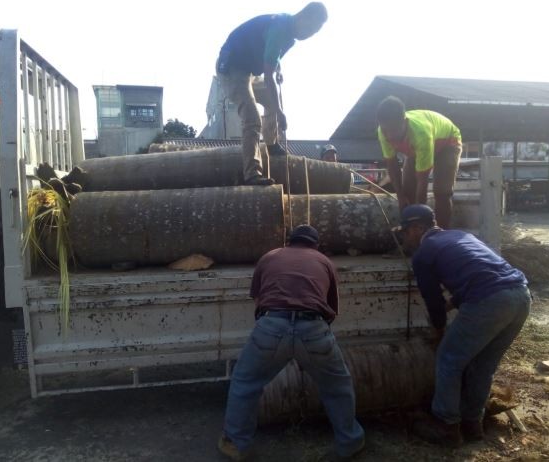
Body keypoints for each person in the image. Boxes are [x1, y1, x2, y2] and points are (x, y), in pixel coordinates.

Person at [218, 225, 365, 461]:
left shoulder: (270, 256)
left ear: (290, 241)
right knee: (338, 387)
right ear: (315, 244)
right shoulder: (324, 261)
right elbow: (332, 310)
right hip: (313, 327)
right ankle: (350, 442)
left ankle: (235, 444)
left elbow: (258, 298)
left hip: (272, 325)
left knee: (245, 383)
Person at [396, 204, 531, 446]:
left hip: (490, 300)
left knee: (449, 359)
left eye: (404, 232)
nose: (403, 237)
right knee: (483, 365)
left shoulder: (424, 253)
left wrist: (439, 330)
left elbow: (432, 299)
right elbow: (481, 271)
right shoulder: (461, 236)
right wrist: (454, 302)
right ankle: (472, 423)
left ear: (418, 228)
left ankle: (446, 425)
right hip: (520, 295)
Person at [216, 3, 328, 186]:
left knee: (270, 100)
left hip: (250, 71)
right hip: (232, 69)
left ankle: (271, 144)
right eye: (310, 29)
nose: (309, 35)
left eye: (314, 33)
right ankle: (252, 174)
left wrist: (278, 68)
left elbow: (272, 54)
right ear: (303, 17)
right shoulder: (280, 28)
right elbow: (268, 77)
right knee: (252, 118)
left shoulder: (290, 35)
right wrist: (280, 111)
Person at [376, 96, 462, 228]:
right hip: (416, 149)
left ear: (404, 122)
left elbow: (422, 182)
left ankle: (441, 234)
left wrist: (418, 219)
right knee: (407, 190)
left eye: (393, 130)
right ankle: (412, 235)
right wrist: (400, 197)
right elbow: (392, 165)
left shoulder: (421, 133)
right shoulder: (383, 132)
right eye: (386, 130)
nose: (390, 136)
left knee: (441, 192)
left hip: (447, 142)